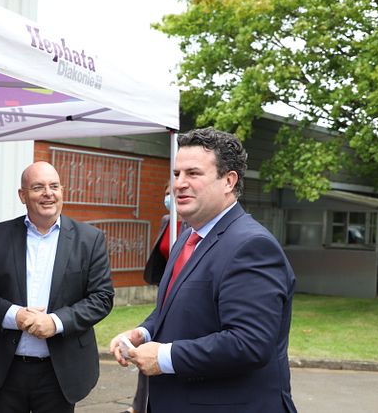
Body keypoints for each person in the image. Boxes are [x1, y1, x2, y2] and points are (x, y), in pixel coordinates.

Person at [110, 127, 297, 412]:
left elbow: (249, 343)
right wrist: (144, 333)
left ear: (228, 181)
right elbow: (179, 306)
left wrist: (164, 357)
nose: (180, 184)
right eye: (176, 174)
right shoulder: (188, 235)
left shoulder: (252, 246)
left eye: (193, 174)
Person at [0, 161, 114, 413]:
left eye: (54, 186)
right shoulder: (0, 235)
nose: (48, 193)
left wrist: (55, 322)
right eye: (38, 187)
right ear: (22, 195)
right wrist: (16, 316)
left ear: (62, 191)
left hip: (60, 373)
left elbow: (101, 298)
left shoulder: (89, 239)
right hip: (6, 369)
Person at [126, 183, 185, 413]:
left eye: (172, 193)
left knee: (162, 352)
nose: (169, 197)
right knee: (149, 346)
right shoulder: (166, 220)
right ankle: (139, 406)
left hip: (185, 292)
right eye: (166, 193)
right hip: (167, 290)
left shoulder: (194, 224)